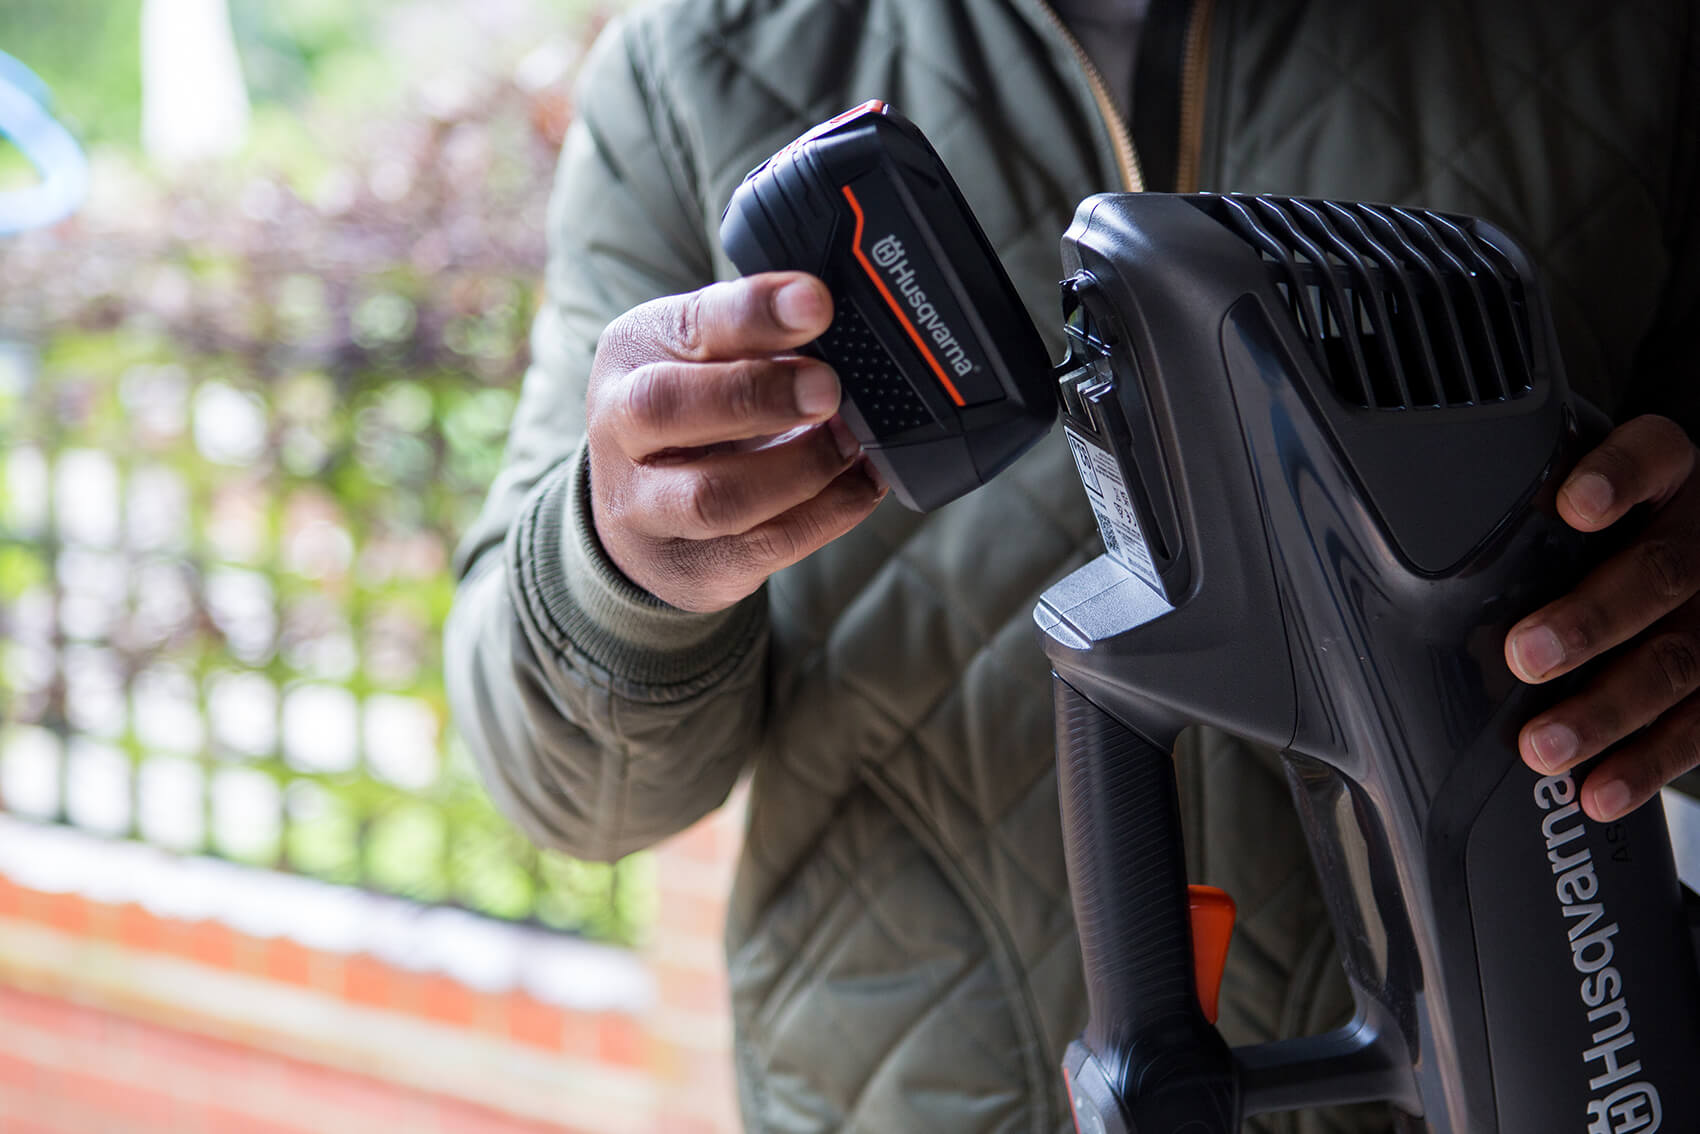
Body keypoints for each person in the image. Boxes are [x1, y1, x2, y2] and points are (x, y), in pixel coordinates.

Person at [445, 2, 1700, 1130]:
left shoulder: (1626, 39)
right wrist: (619, 567)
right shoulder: (692, 68)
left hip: (1540, 1063)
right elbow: (565, 791)